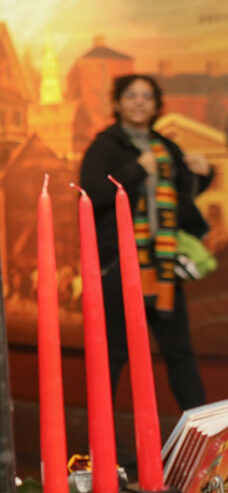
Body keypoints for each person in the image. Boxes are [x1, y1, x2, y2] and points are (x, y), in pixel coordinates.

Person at [79, 74, 212, 411]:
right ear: (116, 103)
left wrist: (202, 173)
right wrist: (136, 170)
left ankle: (207, 442)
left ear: (156, 105)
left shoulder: (166, 147)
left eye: (147, 96)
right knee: (114, 355)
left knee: (179, 351)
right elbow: (92, 194)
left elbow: (182, 197)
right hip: (119, 266)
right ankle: (102, 442)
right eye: (131, 95)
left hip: (163, 267)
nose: (139, 101)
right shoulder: (104, 146)